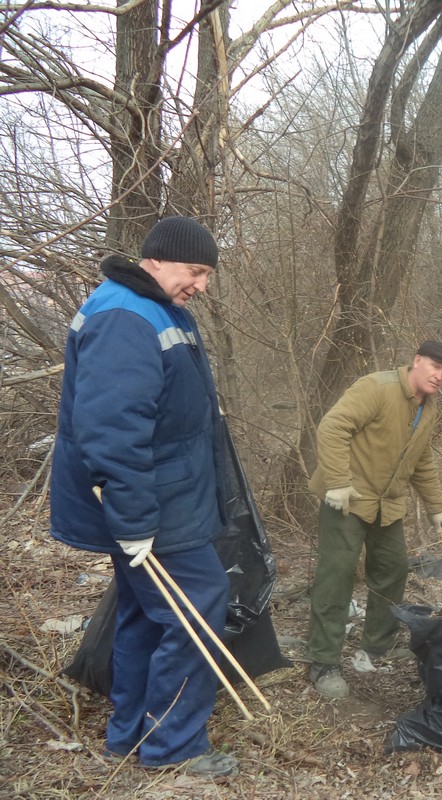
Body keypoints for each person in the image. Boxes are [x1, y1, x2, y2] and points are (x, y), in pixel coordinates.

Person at [50, 216, 238, 777]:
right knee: (198, 606)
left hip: (165, 494)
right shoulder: (125, 316)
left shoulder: (153, 306)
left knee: (142, 612)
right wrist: (132, 521)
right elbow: (111, 429)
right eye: (195, 271)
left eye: (207, 275)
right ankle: (173, 746)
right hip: (152, 503)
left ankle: (129, 734)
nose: (201, 285)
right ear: (155, 260)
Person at [305, 341, 442, 698]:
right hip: (348, 500)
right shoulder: (377, 388)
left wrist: (435, 506)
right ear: (416, 360)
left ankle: (378, 644)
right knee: (337, 574)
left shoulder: (428, 408)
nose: (441, 377)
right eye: (436, 367)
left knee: (392, 569)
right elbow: (332, 428)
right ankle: (323, 661)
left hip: (387, 504)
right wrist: (339, 483)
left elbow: (421, 461)